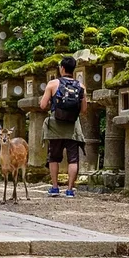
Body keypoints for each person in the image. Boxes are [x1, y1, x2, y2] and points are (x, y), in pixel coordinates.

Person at [40, 56, 86, 197]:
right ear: (73, 69)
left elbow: (42, 105)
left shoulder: (53, 84)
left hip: (55, 125)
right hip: (73, 126)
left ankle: (54, 188)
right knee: (73, 159)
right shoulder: (81, 86)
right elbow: (84, 110)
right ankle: (70, 190)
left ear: (62, 68)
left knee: (54, 157)